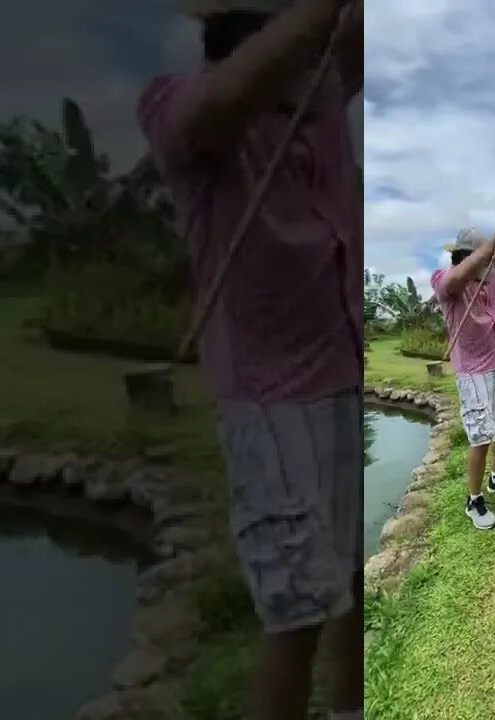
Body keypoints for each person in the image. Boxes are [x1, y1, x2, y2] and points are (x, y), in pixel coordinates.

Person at [137, 2, 363, 719]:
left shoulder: (321, 103)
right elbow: (217, 106)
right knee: (296, 615)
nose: (332, 82)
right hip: (270, 400)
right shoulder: (177, 107)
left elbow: (353, 49)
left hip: (344, 376)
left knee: (355, 585)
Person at [430, 178, 495, 531]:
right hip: (473, 372)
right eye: (486, 254)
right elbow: (454, 280)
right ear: (465, 256)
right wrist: (492, 242)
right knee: (481, 436)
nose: (493, 259)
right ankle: (473, 500)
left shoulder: (491, 272)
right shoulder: (446, 279)